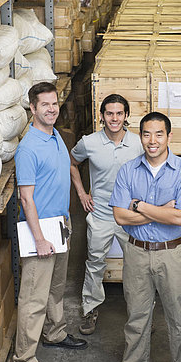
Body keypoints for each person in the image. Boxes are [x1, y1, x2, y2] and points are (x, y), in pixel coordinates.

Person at [102, 112, 181, 362]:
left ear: (169, 136)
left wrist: (141, 206)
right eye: (146, 134)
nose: (152, 141)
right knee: (137, 316)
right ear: (140, 136)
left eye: (159, 134)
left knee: (180, 318)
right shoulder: (128, 170)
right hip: (137, 252)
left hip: (172, 253)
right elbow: (120, 216)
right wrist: (160, 209)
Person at [12, 82, 87, 362]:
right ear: (32, 108)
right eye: (45, 104)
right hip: (39, 232)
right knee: (34, 297)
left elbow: (67, 170)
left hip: (60, 225)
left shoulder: (56, 135)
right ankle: (24, 359)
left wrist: (75, 201)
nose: (52, 109)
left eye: (54, 103)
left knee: (56, 288)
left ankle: (54, 334)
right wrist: (40, 238)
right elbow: (26, 198)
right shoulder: (28, 147)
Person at [70, 94, 143, 334]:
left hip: (130, 218)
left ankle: (142, 312)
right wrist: (82, 193)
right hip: (100, 214)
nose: (114, 118)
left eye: (119, 113)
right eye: (109, 113)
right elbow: (72, 162)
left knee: (138, 265)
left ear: (126, 116)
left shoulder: (138, 143)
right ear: (102, 116)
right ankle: (90, 308)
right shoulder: (89, 142)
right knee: (94, 263)